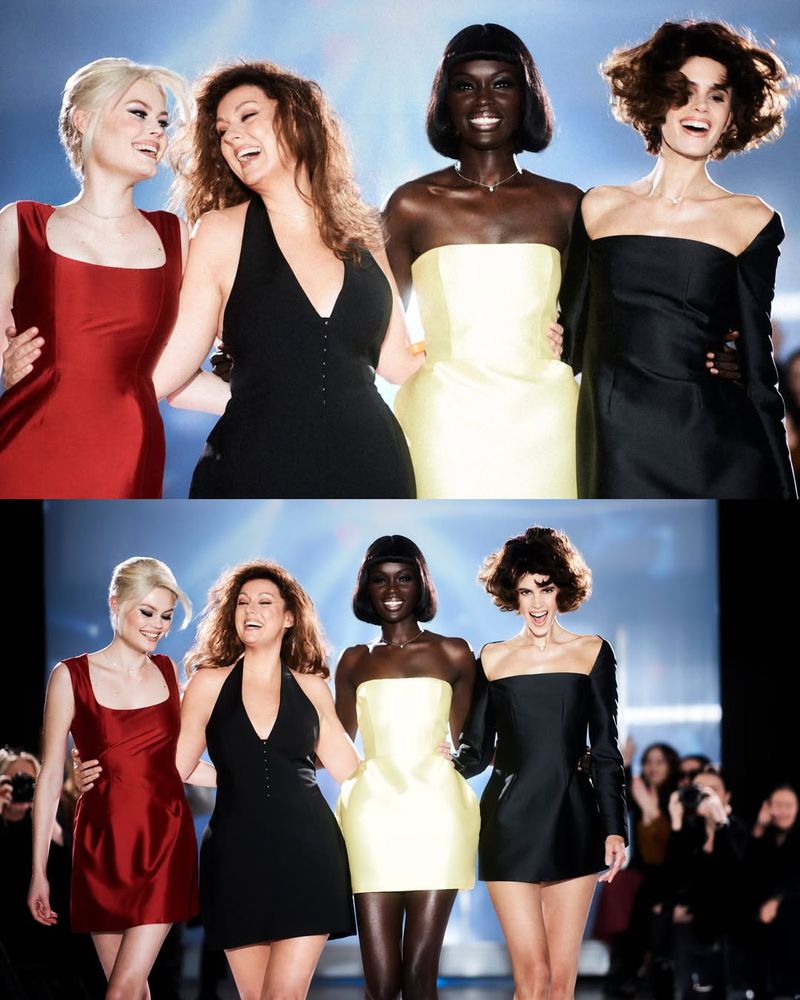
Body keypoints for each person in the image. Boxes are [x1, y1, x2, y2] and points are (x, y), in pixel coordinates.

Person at [155, 60, 420, 498]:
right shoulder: (221, 231)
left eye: (247, 116)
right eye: (221, 132)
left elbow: (399, 365)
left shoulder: (366, 233)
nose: (232, 136)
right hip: (255, 466)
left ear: (297, 118)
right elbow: (173, 370)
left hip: (374, 465)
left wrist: (518, 337)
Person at [560, 20, 798, 498]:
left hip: (717, 448)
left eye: (716, 96)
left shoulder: (750, 219)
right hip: (617, 445)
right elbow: (571, 343)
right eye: (683, 91)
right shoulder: (598, 207)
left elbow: (757, 371)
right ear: (655, 102)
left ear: (733, 114)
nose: (698, 107)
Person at [385, 24, 580, 499]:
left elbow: (592, 323)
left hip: (549, 420)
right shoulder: (413, 205)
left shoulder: (566, 204)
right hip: (443, 421)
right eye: (466, 85)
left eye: (503, 83)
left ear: (526, 95)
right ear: (446, 101)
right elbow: (371, 321)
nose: (484, 100)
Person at [0, 57, 190, 498]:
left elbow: (182, 365)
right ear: (84, 120)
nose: (157, 131)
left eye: (162, 121)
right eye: (139, 113)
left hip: (128, 451)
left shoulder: (176, 235)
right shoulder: (20, 224)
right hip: (22, 446)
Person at [455, 526, 627, 1000]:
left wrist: (615, 828)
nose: (536, 602)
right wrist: (434, 763)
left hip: (574, 818)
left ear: (562, 590)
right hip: (509, 824)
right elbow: (474, 753)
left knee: (560, 979)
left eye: (545, 588)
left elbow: (607, 751)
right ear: (511, 592)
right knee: (531, 979)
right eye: (526, 590)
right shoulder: (491, 658)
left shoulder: (592, 652)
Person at [176, 560, 358, 998]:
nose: (250, 610)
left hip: (309, 855)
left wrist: (424, 751)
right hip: (235, 860)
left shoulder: (313, 686)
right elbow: (175, 768)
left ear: (290, 616)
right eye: (241, 602)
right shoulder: (208, 683)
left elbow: (349, 769)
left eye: (264, 601)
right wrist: (232, 778)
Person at [28, 557, 199, 1000]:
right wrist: (39, 871)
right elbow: (49, 776)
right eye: (147, 612)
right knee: (133, 992)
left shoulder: (167, 672)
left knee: (122, 990)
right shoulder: (70, 676)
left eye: (166, 616)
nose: (158, 625)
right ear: (114, 603)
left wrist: (256, 774)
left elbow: (180, 764)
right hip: (100, 847)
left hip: (164, 840)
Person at [335, 535, 480, 998]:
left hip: (437, 814)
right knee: (380, 985)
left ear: (421, 585)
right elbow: (335, 745)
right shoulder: (354, 660)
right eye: (380, 580)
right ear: (366, 590)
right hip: (371, 817)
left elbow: (474, 746)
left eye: (404, 578)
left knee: (419, 976)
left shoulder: (454, 653)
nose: (392, 589)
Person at [665, 765, 748, 1000]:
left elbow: (738, 879)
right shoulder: (690, 830)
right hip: (694, 925)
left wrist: (721, 824)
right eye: (700, 789)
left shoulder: (738, 829)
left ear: (727, 796)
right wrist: (676, 823)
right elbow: (673, 877)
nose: (707, 795)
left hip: (728, 923)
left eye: (714, 790)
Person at [745, 783, 800, 997]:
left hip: (792, 918)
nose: (783, 811)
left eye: (789, 805)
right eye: (778, 805)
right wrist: (759, 827)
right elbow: (749, 872)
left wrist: (777, 900)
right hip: (761, 924)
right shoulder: (762, 836)